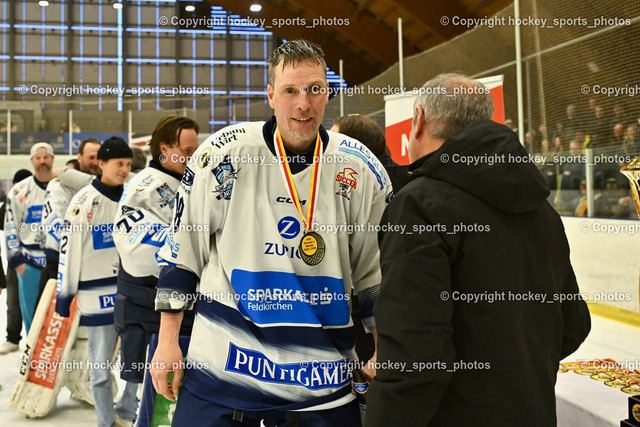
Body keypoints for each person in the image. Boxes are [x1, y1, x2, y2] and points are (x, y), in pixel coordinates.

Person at [149, 39, 392, 426]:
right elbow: (183, 252)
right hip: (223, 373)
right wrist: (167, 342)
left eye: (314, 89)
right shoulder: (222, 156)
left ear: (328, 93)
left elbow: (375, 273)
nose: (303, 104)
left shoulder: (359, 169)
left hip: (321, 386)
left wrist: (383, 347)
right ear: (271, 95)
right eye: (290, 90)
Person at [366, 73, 591, 426]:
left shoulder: (419, 206)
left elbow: (414, 353)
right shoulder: (542, 210)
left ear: (419, 120)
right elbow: (573, 325)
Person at [55, 137, 138, 427]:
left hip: (132, 291)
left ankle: (127, 409)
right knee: (101, 366)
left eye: (128, 164)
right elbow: (68, 252)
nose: (125, 169)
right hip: (97, 296)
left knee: (136, 361)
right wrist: (64, 295)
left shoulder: (134, 196)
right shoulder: (82, 202)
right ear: (101, 164)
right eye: (119, 164)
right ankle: (106, 422)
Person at [113, 116, 198, 388]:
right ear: (164, 148)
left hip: (180, 310)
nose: (193, 157)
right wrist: (194, 246)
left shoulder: (187, 179)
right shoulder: (144, 186)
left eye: (196, 150)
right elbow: (135, 246)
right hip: (148, 308)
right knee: (152, 396)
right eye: (187, 151)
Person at [37, 138, 101, 308]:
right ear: (79, 158)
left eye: (99, 157)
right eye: (91, 157)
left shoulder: (108, 187)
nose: (96, 162)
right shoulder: (58, 185)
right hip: (60, 266)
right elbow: (54, 226)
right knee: (50, 322)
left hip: (97, 268)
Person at [4, 143, 54, 334]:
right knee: (32, 318)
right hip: (30, 263)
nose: (42, 161)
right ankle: (32, 353)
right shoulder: (19, 191)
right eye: (38, 158)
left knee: (57, 318)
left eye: (46, 157)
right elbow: (10, 227)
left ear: (52, 159)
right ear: (32, 161)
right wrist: (18, 262)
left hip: (58, 263)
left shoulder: (63, 188)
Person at [0, 169, 32, 354]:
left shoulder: (38, 199)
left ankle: (35, 339)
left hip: (36, 258)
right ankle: (12, 337)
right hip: (15, 258)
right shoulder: (10, 203)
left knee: (36, 300)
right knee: (13, 300)